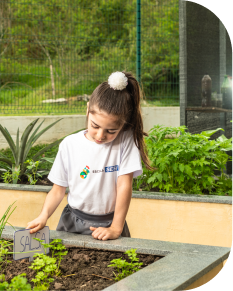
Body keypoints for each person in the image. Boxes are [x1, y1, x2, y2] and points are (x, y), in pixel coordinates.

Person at [26, 71, 154, 241]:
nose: (101, 135)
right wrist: (44, 216)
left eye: (111, 131)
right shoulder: (69, 145)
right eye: (95, 126)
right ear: (87, 110)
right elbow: (58, 190)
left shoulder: (125, 142)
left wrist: (116, 227)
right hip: (71, 223)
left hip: (110, 224)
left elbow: (125, 186)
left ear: (123, 125)